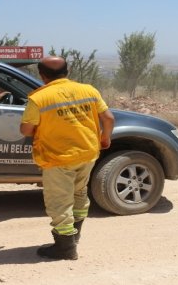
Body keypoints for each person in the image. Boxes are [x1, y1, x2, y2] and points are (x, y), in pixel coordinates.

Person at [20, 56, 115, 260]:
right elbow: (108, 118)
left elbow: (26, 130)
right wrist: (105, 139)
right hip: (88, 153)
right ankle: (74, 237)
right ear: (67, 71)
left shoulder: (39, 98)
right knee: (79, 194)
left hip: (58, 158)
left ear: (42, 75)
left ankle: (65, 249)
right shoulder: (89, 90)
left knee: (59, 202)